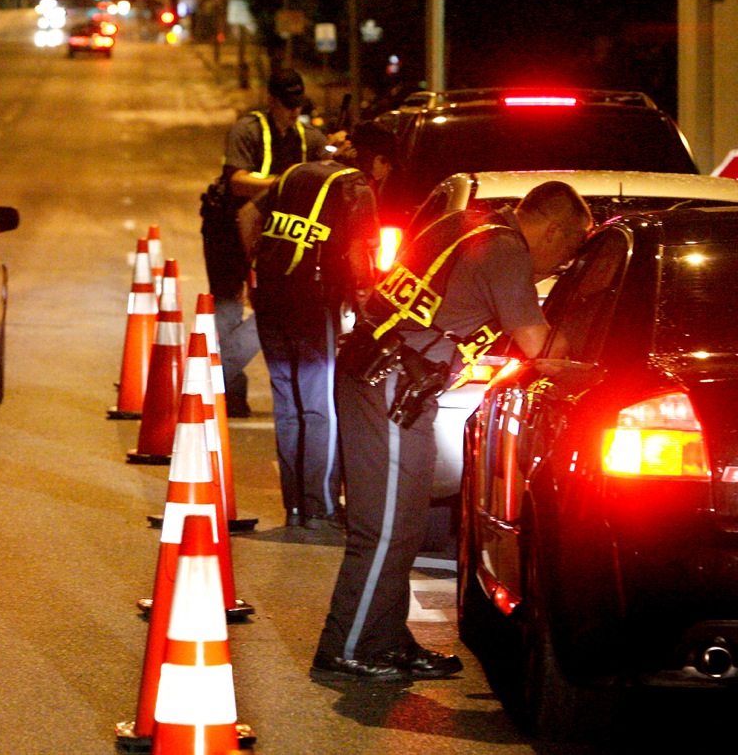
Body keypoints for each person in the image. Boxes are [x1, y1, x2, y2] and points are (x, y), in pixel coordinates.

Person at [313, 180, 593, 680]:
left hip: (391, 381)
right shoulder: (503, 252)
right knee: (384, 530)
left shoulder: (465, 224)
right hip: (390, 384)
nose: (562, 264)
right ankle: (349, 646)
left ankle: (386, 638)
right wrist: (595, 365)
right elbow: (543, 348)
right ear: (553, 230)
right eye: (570, 250)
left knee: (403, 525)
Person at [237, 156, 379, 530]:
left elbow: (247, 217)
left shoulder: (295, 174)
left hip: (271, 294)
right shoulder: (357, 188)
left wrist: (257, 267)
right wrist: (366, 300)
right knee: (319, 407)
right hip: (314, 302)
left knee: (287, 403)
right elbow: (357, 254)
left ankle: (295, 506)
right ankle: (323, 507)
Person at [201, 67, 330, 417]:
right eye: (287, 105)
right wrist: (287, 181)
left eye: (299, 105)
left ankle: (212, 379)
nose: (294, 112)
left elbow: (326, 176)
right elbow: (239, 181)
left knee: (274, 308)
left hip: (275, 237)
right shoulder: (247, 130)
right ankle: (230, 394)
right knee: (227, 308)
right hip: (227, 229)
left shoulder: (310, 138)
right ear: (271, 101)